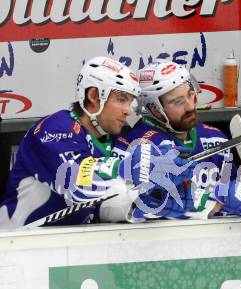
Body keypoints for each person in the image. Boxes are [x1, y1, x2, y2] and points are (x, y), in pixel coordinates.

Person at [0, 56, 195, 229]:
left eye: (130, 102)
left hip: (66, 251)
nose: (128, 110)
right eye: (121, 99)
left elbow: (102, 205)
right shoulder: (54, 128)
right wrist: (128, 168)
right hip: (16, 246)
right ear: (93, 96)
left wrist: (145, 202)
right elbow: (74, 184)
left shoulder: (112, 141)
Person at [113, 59, 241, 236]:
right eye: (177, 102)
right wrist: (217, 202)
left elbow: (235, 196)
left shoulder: (215, 137)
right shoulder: (134, 145)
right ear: (154, 109)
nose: (190, 105)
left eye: (190, 94)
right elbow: (131, 205)